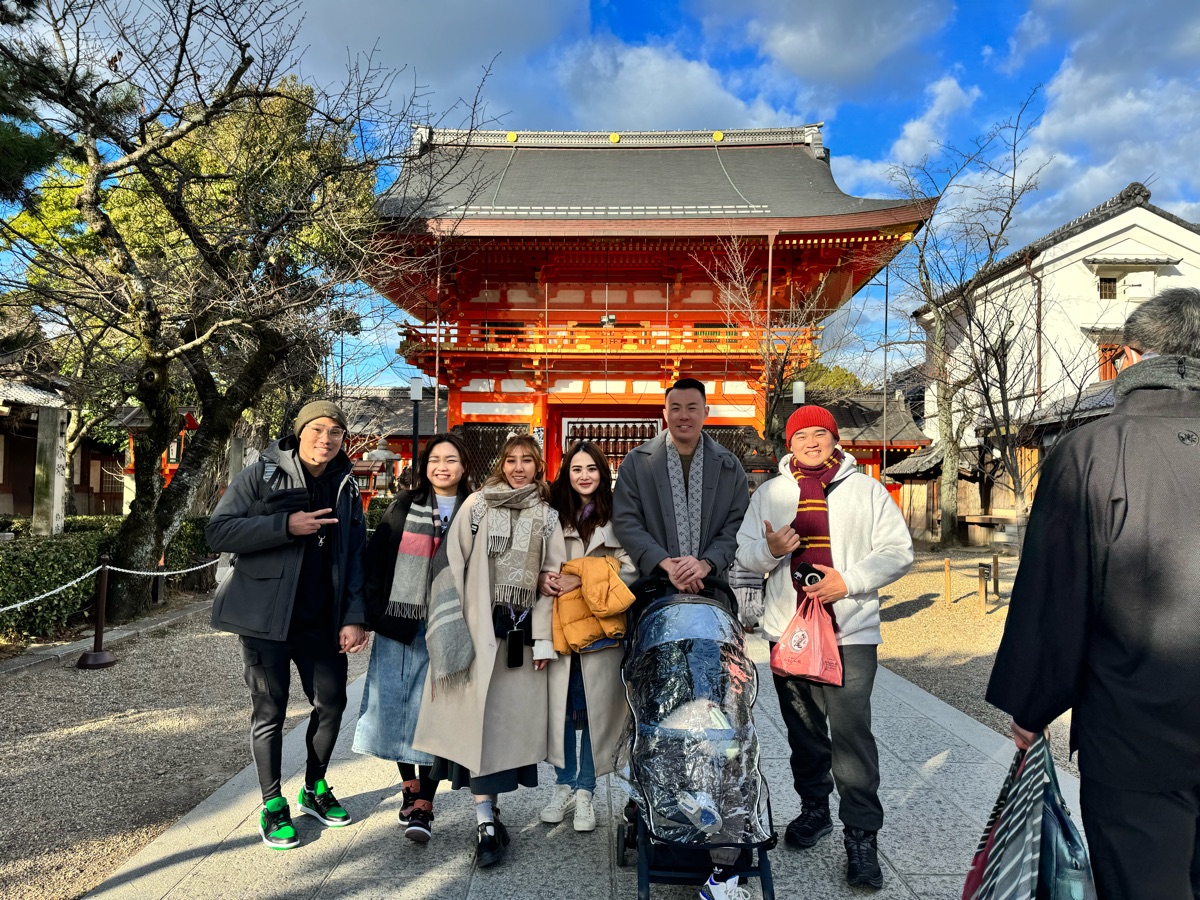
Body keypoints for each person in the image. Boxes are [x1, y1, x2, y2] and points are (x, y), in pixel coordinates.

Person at [987, 287, 1200, 900]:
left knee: (1144, 881)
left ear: (1129, 355)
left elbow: (1057, 594)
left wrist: (1031, 704)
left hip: (1136, 724)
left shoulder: (1094, 450)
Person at [735, 405, 912, 890]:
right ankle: (814, 808)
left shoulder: (866, 490)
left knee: (852, 733)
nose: (811, 443)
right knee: (804, 730)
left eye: (820, 434)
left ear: (835, 439)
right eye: (801, 436)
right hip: (790, 630)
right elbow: (745, 552)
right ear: (788, 444)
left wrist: (849, 581)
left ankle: (861, 833)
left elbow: (898, 551)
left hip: (848, 630)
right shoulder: (770, 493)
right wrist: (770, 550)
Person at [207, 400, 370, 850]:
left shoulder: (346, 485)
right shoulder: (262, 474)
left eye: (335, 431)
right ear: (299, 433)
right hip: (266, 621)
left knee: (332, 704)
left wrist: (355, 616)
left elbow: (355, 554)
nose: (326, 439)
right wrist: (284, 525)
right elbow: (218, 531)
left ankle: (315, 788)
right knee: (270, 711)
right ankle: (272, 803)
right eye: (317, 429)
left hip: (322, 620)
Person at [410, 433, 567, 867]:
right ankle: (484, 821)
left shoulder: (547, 517)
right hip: (476, 633)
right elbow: (450, 562)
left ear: (538, 466)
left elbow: (552, 578)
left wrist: (544, 636)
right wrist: (452, 629)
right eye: (511, 460)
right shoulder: (478, 505)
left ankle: (490, 815)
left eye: (527, 460)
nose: (518, 468)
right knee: (474, 729)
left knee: (500, 733)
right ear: (501, 464)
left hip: (518, 640)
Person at [352, 433, 472, 843]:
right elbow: (376, 561)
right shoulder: (404, 505)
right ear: (425, 466)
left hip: (453, 623)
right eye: (435, 459)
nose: (442, 467)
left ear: (464, 466)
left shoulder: (475, 509)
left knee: (438, 710)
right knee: (396, 705)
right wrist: (366, 618)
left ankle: (426, 801)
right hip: (401, 623)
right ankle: (410, 786)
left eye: (450, 459)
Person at [540, 441, 637, 833]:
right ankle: (563, 785)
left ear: (603, 473)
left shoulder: (618, 517)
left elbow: (632, 569)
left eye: (592, 468)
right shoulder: (551, 516)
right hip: (559, 629)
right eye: (576, 469)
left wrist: (582, 576)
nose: (584, 476)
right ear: (566, 473)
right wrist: (543, 580)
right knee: (562, 712)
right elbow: (537, 564)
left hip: (600, 633)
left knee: (594, 713)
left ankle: (585, 791)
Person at [612, 377, 749, 591]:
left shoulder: (728, 465)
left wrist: (706, 564)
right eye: (675, 408)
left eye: (692, 408)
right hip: (654, 585)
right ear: (665, 414)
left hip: (709, 584)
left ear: (705, 412)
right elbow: (626, 520)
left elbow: (738, 523)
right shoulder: (637, 462)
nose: (683, 415)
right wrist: (667, 564)